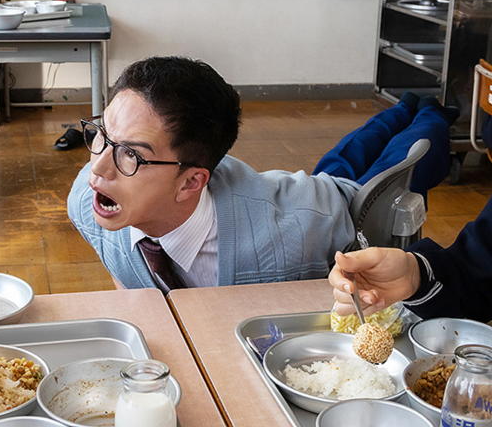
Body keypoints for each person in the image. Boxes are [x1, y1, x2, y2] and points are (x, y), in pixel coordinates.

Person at [68, 57, 457, 292]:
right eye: (102, 135)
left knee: (408, 149)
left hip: (338, 204)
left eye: (131, 155)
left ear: (191, 182)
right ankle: (404, 105)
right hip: (301, 189)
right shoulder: (87, 202)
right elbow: (127, 273)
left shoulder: (294, 235)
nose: (97, 168)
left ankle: (431, 108)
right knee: (354, 148)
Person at [329, 118, 492, 323]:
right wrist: (417, 275)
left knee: (365, 144)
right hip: (334, 188)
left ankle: (424, 111)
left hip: (343, 195)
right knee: (365, 143)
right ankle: (420, 109)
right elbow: (477, 276)